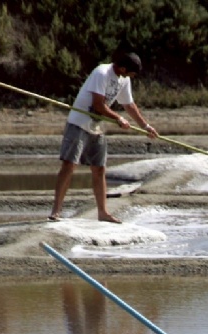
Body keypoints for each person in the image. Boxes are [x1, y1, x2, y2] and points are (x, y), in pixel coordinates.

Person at [49, 51, 158, 224]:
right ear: (122, 68)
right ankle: (56, 211)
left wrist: (145, 126)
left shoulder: (124, 80)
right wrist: (118, 119)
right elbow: (98, 105)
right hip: (79, 123)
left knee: (99, 168)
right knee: (69, 165)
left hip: (96, 126)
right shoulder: (102, 73)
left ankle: (103, 212)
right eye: (131, 72)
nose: (132, 76)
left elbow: (129, 105)